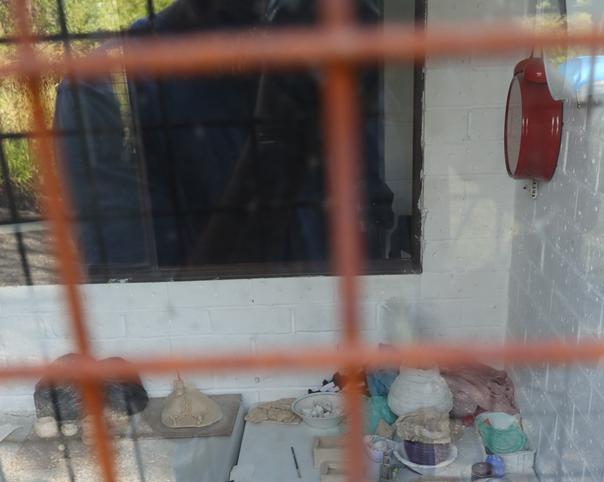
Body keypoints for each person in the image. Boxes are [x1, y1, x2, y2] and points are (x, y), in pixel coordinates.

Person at [53, 0, 394, 279]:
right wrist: (274, 139)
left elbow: (371, 229)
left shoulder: (329, 67)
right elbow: (144, 295)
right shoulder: (106, 86)